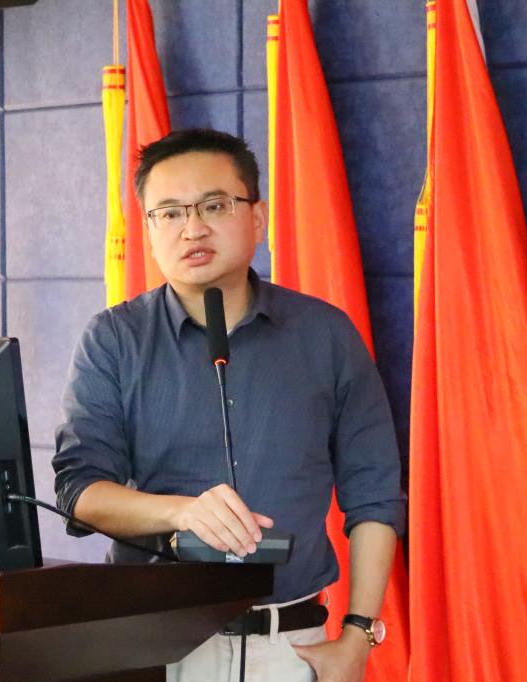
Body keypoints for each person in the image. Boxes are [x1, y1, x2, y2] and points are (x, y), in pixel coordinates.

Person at [53, 128, 404, 682]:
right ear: (148, 231)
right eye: (169, 213)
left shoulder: (325, 334)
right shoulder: (113, 340)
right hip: (150, 643)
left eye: (214, 205)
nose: (192, 228)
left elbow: (375, 494)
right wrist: (180, 512)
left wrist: (359, 635)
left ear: (258, 218)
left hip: (290, 647)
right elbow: (79, 491)